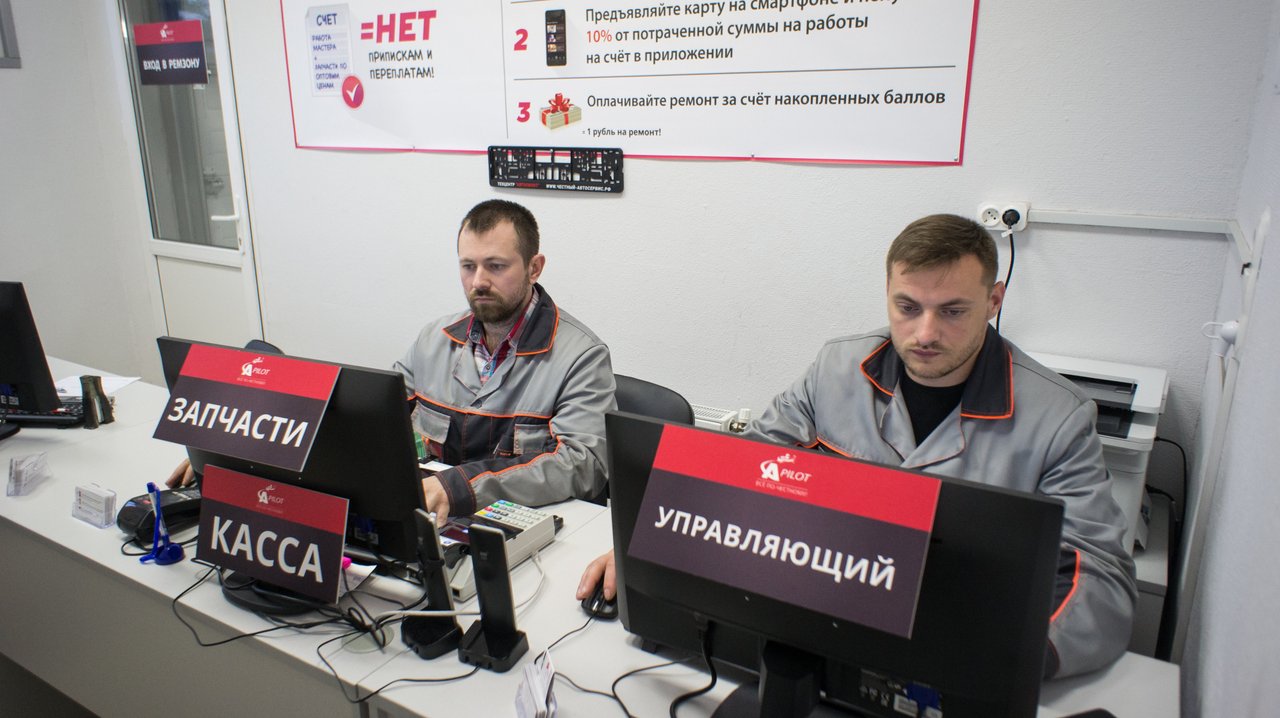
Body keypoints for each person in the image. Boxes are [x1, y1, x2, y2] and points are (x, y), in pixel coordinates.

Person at [579, 213, 1135, 680]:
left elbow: (1102, 583)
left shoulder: (1058, 418)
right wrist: (649, 545)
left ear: (994, 301)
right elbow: (748, 468)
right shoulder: (837, 368)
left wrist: (1004, 659)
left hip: (952, 637)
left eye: (953, 311)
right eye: (907, 307)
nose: (925, 333)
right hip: (826, 610)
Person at [394, 199, 615, 522]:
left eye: (496, 266)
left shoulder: (582, 356)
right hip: (438, 519)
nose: (478, 282)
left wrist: (463, 488)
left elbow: (585, 464)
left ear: (534, 268)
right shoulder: (432, 341)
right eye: (468, 266)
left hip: (530, 527)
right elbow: (380, 417)